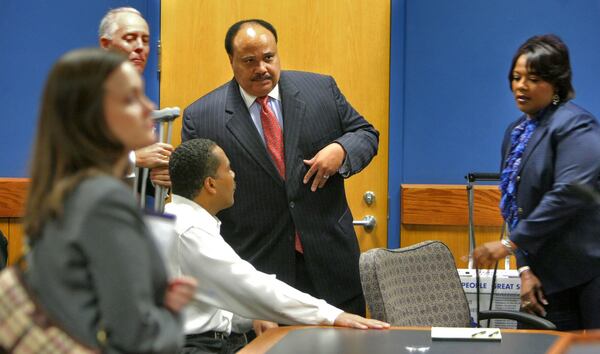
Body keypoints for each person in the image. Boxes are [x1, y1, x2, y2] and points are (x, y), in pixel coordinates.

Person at [182, 19, 378, 316]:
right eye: (249, 61)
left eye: (268, 57)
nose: (261, 67)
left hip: (332, 265)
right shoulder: (202, 117)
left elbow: (365, 134)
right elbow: (196, 195)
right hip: (259, 272)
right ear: (231, 62)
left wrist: (341, 150)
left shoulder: (320, 90)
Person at [23, 48, 197, 352]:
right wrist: (170, 313)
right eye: (130, 99)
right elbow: (138, 340)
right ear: (94, 116)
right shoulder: (104, 199)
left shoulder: (66, 190)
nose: (149, 108)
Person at [166, 138, 389, 353]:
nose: (234, 176)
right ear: (211, 184)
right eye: (229, 169)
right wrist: (331, 315)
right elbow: (249, 283)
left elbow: (206, 297)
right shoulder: (190, 230)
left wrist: (251, 316)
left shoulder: (180, 219)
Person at [473, 34, 600, 330]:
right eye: (516, 77)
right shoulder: (517, 132)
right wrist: (524, 267)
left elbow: (570, 192)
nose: (521, 85)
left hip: (591, 270)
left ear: (556, 83)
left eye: (532, 78)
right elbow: (516, 207)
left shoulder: (576, 125)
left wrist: (508, 244)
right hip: (546, 277)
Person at [99, 7, 172, 189]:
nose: (140, 47)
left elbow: (140, 177)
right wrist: (135, 158)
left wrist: (159, 178)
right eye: (130, 39)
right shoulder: (81, 94)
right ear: (106, 45)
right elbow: (74, 163)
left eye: (145, 40)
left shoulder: (138, 101)